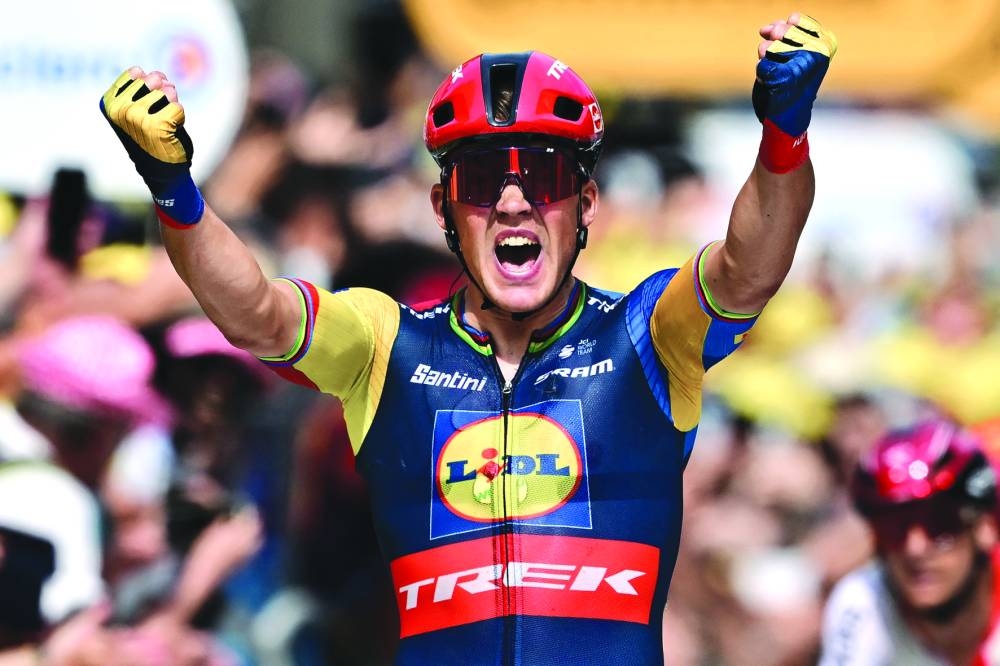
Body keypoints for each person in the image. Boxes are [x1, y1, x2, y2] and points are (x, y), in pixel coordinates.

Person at [100, 13, 836, 664]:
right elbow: (257, 313)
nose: (514, 201)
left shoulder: (647, 334)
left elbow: (747, 270)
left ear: (586, 206)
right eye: (482, 178)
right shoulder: (385, 344)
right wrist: (175, 192)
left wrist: (784, 137)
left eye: (544, 175)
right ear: (443, 209)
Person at [819, 418, 1000, 665]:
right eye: (894, 527)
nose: (915, 549)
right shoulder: (864, 601)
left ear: (984, 528)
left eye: (939, 523)